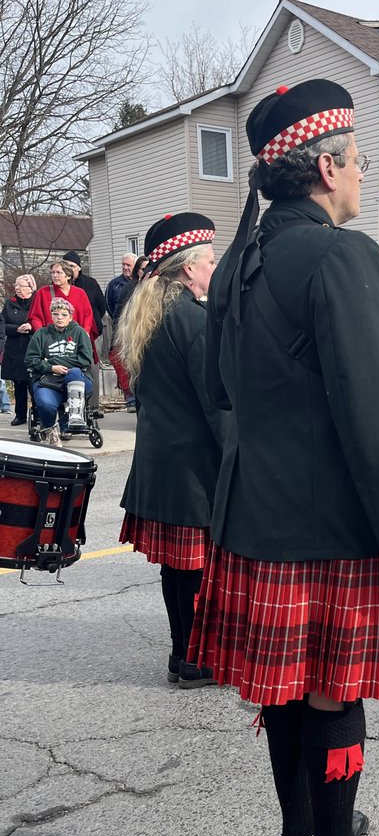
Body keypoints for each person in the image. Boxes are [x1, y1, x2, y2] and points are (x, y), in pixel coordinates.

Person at [191, 79, 379, 836]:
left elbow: (220, 395)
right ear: (327, 167)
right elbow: (374, 413)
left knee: (287, 686)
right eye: (359, 162)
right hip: (330, 521)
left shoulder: (237, 265)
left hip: (252, 514)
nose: (364, 177)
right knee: (333, 686)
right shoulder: (340, 256)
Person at [116, 215, 225, 689]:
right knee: (196, 570)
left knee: (177, 569)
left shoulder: (152, 313)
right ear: (186, 268)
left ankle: (181, 654)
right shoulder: (195, 320)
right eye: (210, 259)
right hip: (194, 468)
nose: (215, 266)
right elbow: (218, 406)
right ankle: (196, 660)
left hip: (162, 461)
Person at [24, 297, 93, 445]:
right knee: (45, 403)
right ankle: (50, 430)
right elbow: (30, 359)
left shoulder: (79, 332)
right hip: (48, 380)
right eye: (55, 314)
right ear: (51, 315)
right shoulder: (41, 334)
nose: (59, 318)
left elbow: (86, 360)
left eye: (63, 315)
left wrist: (51, 361)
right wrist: (50, 367)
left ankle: (75, 416)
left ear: (71, 316)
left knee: (74, 371)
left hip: (77, 379)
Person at [62, 251, 106, 414]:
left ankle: (93, 406)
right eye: (65, 266)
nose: (68, 269)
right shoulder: (58, 285)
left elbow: (102, 307)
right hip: (66, 334)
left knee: (92, 367)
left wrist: (93, 323)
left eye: (71, 266)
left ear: (79, 267)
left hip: (90, 332)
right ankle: (72, 406)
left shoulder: (90, 283)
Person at [111, 255, 149, 411]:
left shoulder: (156, 286)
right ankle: (133, 400)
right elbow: (118, 313)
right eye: (143, 269)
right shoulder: (128, 288)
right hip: (131, 335)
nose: (147, 272)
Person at [1, 275, 37, 425]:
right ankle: (20, 415)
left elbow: (44, 320)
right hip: (15, 349)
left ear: (30, 288)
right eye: (16, 285)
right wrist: (16, 329)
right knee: (19, 384)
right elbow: (3, 325)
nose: (17, 288)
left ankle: (38, 414)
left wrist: (31, 327)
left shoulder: (37, 301)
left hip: (33, 347)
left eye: (21, 285)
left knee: (34, 384)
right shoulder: (10, 304)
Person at [30, 260, 97, 340]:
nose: (55, 275)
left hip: (76, 338)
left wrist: (85, 332)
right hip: (51, 339)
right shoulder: (43, 292)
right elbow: (35, 317)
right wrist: (42, 335)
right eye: (53, 272)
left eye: (58, 272)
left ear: (68, 276)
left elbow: (88, 316)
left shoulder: (80, 293)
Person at [105, 254, 136, 319]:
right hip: (120, 324)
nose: (125, 267)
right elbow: (109, 306)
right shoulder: (114, 284)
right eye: (123, 264)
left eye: (128, 265)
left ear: (135, 266)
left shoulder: (140, 282)